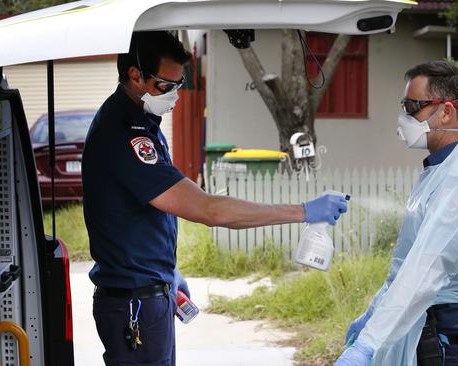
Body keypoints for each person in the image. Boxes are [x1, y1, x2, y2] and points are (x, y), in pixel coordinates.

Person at [82, 31, 349, 366]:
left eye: (180, 84)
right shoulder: (124, 134)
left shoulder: (144, 121)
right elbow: (208, 209)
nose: (175, 95)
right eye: (167, 85)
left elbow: (150, 209)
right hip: (135, 303)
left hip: (148, 293)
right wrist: (303, 211)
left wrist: (168, 272)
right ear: (136, 76)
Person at [335, 60, 458, 366]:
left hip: (438, 334)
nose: (404, 117)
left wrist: (367, 346)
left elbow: (425, 268)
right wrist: (370, 316)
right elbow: (405, 264)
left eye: (413, 106)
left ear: (447, 111)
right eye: (404, 105)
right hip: (420, 325)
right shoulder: (440, 169)